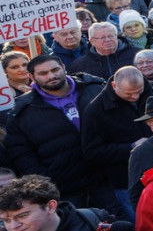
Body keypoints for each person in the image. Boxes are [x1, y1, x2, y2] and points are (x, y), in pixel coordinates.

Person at [5, 56, 114, 210]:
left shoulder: (95, 88)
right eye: (43, 73)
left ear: (63, 67)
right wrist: (47, 181)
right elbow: (22, 154)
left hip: (109, 177)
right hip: (66, 188)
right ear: (32, 77)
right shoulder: (21, 111)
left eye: (55, 70)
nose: (51, 76)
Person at [81, 65, 153, 221]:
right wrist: (130, 148)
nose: (135, 97)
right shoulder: (96, 110)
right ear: (114, 86)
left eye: (139, 91)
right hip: (128, 180)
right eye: (129, 94)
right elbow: (92, 151)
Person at [0, 175, 131, 231]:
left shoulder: (94, 221)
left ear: (50, 206)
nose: (13, 226)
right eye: (6, 220)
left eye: (22, 216)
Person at [68, 22, 140, 79]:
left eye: (111, 36)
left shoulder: (137, 55)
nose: (108, 40)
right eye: (102, 38)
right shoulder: (79, 66)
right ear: (92, 41)